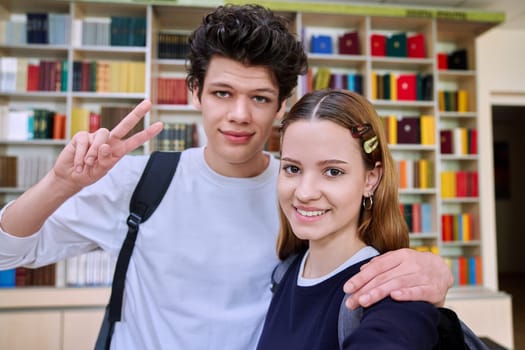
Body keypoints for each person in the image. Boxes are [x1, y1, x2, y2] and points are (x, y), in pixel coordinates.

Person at [0, 4, 452, 349]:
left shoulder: (299, 195)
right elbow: (7, 253)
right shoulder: (140, 181)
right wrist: (63, 183)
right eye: (222, 92)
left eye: (259, 98)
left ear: (281, 106)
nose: (239, 115)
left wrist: (432, 269)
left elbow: (359, 267)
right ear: (195, 92)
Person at [257, 89, 440, 349]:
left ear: (370, 180)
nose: (305, 192)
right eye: (292, 168)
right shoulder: (286, 272)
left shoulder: (392, 290)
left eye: (332, 171)